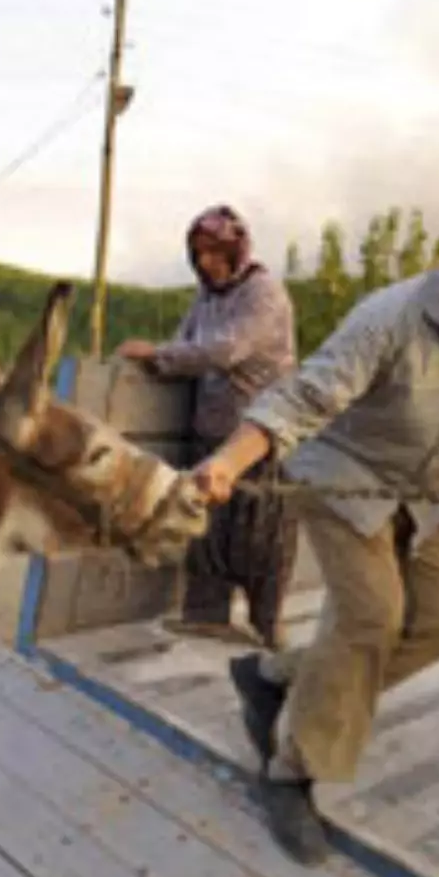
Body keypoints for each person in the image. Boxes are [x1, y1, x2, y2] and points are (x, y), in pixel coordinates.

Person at [193, 192, 439, 865]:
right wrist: (228, 462)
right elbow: (305, 394)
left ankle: (274, 677)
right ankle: (292, 772)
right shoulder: (390, 316)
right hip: (343, 475)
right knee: (371, 620)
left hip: (426, 493)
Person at [117, 205, 298, 649]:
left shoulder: (263, 293)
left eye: (215, 253)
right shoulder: (207, 297)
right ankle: (206, 613)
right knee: (207, 527)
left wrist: (158, 354)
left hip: (260, 435)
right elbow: (187, 342)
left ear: (236, 251)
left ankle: (267, 623)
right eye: (198, 254)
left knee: (264, 532)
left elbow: (225, 350)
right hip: (213, 429)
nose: (205, 263)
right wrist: (159, 362)